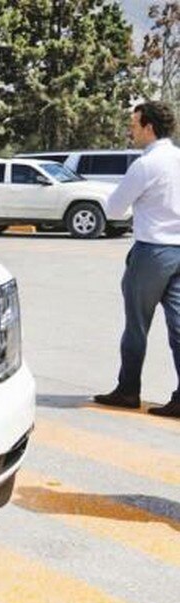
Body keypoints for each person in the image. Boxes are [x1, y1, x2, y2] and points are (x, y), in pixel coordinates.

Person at [94, 101, 180, 418]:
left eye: (134, 125)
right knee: (179, 327)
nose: (131, 131)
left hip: (152, 251)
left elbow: (115, 208)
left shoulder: (146, 165)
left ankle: (128, 390)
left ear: (149, 127)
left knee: (136, 327)